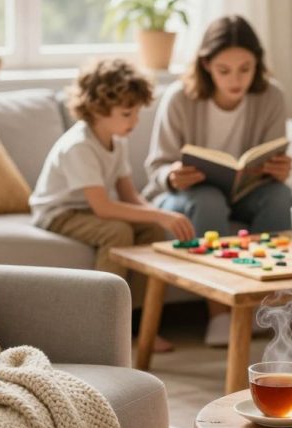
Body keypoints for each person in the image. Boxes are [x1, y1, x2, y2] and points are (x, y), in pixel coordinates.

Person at [143, 15, 292, 344]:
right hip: (187, 196)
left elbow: (273, 156)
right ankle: (221, 313)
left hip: (247, 191)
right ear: (207, 64)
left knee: (281, 196)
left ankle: (262, 305)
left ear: (257, 63)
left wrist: (279, 170)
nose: (236, 79)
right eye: (224, 70)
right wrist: (172, 175)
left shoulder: (271, 97)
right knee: (208, 199)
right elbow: (156, 167)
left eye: (245, 68)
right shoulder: (180, 97)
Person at [30, 58, 195, 352]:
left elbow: (129, 194)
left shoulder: (117, 140)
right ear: (97, 109)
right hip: (58, 211)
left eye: (136, 113)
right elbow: (103, 208)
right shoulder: (80, 145)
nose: (134, 122)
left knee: (150, 232)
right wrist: (160, 214)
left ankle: (142, 326)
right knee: (116, 232)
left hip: (89, 208)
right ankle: (103, 328)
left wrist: (158, 218)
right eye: (127, 113)